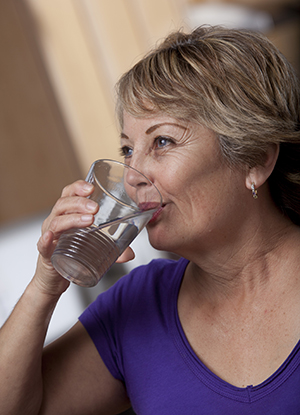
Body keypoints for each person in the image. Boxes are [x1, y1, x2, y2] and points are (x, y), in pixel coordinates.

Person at [1, 25, 300, 415]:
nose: (132, 174)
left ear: (256, 159)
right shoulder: (140, 305)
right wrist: (45, 283)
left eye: (162, 142)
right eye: (127, 148)